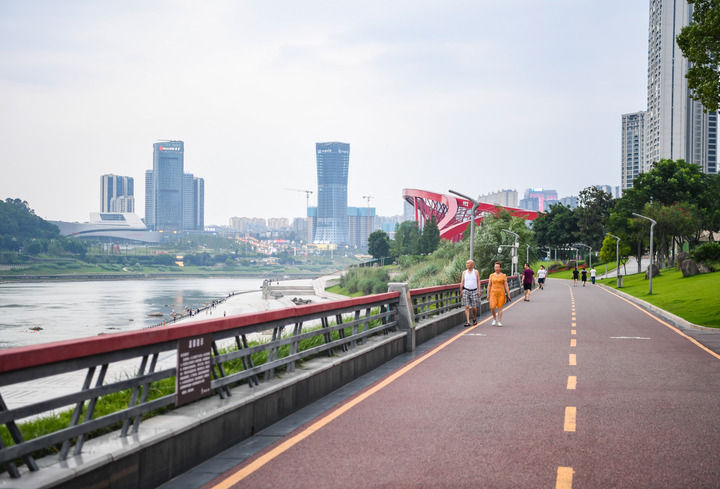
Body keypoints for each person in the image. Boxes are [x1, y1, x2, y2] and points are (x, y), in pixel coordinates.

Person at [488, 261, 511, 326]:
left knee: (500, 307)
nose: (496, 268)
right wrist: (488, 294)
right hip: (493, 293)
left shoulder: (503, 276)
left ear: (500, 268)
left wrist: (508, 294)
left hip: (501, 293)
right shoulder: (491, 275)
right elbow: (489, 285)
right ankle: (494, 318)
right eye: (495, 267)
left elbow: (506, 285)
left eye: (498, 267)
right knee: (492, 307)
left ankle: (499, 321)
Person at [460, 259, 481, 327]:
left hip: (474, 290)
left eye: (469, 263)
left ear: (472, 265)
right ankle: (468, 322)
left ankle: (474, 318)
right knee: (467, 306)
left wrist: (479, 291)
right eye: (466, 263)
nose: (467, 265)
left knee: (474, 307)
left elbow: (478, 281)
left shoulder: (476, 272)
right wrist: (461, 291)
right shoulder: (464, 272)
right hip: (466, 290)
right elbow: (462, 282)